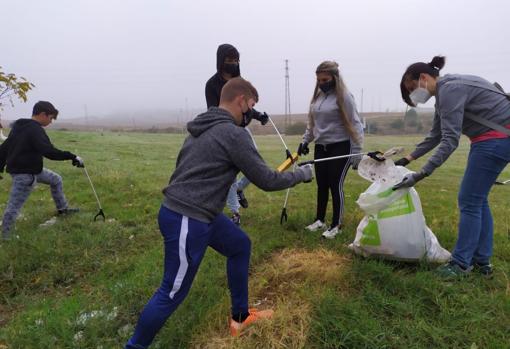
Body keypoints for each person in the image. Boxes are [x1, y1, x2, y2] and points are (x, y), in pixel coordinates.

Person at [125, 77, 313, 348]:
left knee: (239, 245)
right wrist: (302, 175)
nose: (251, 111)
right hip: (186, 218)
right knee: (172, 291)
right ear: (240, 100)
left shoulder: (201, 127)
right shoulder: (233, 134)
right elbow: (267, 180)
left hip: (205, 214)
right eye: (251, 104)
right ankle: (134, 346)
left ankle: (239, 317)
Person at [393, 55, 510, 279]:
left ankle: (460, 264)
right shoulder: (447, 90)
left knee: (468, 201)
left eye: (412, 88)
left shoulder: (450, 91)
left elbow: (450, 140)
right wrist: (407, 159)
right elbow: (435, 135)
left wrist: (421, 174)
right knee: (478, 200)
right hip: (497, 139)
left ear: (424, 77)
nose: (415, 94)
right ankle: (481, 262)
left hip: (493, 140)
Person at [297, 61, 364, 239]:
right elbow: (312, 124)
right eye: (319, 80)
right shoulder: (317, 98)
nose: (321, 83)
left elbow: (356, 124)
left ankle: (337, 225)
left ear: (334, 78)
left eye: (325, 79)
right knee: (322, 185)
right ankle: (320, 220)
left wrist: (356, 152)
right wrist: (305, 141)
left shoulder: (345, 97)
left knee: (336, 185)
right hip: (321, 147)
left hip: (340, 146)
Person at [0, 101, 84, 241]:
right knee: (14, 206)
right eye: (50, 118)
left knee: (56, 179)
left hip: (34, 170)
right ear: (43, 114)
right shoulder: (35, 129)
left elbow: (4, 147)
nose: (51, 122)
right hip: (25, 174)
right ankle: (7, 237)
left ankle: (63, 210)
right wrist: (72, 156)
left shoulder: (19, 126)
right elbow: (48, 151)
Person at [205, 43, 267, 225]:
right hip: (224, 132)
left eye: (236, 60)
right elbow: (213, 110)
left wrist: (258, 115)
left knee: (256, 165)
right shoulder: (212, 85)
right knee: (230, 173)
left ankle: (240, 189)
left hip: (242, 130)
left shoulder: (240, 83)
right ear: (220, 61)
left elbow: (245, 105)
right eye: (229, 60)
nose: (233, 63)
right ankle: (235, 212)